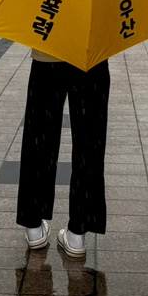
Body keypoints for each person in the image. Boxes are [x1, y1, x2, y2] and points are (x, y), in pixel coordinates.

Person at [16, 51, 110, 260]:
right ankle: (78, 233)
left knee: (39, 139)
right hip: (91, 59)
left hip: (47, 54)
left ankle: (33, 227)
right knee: (89, 143)